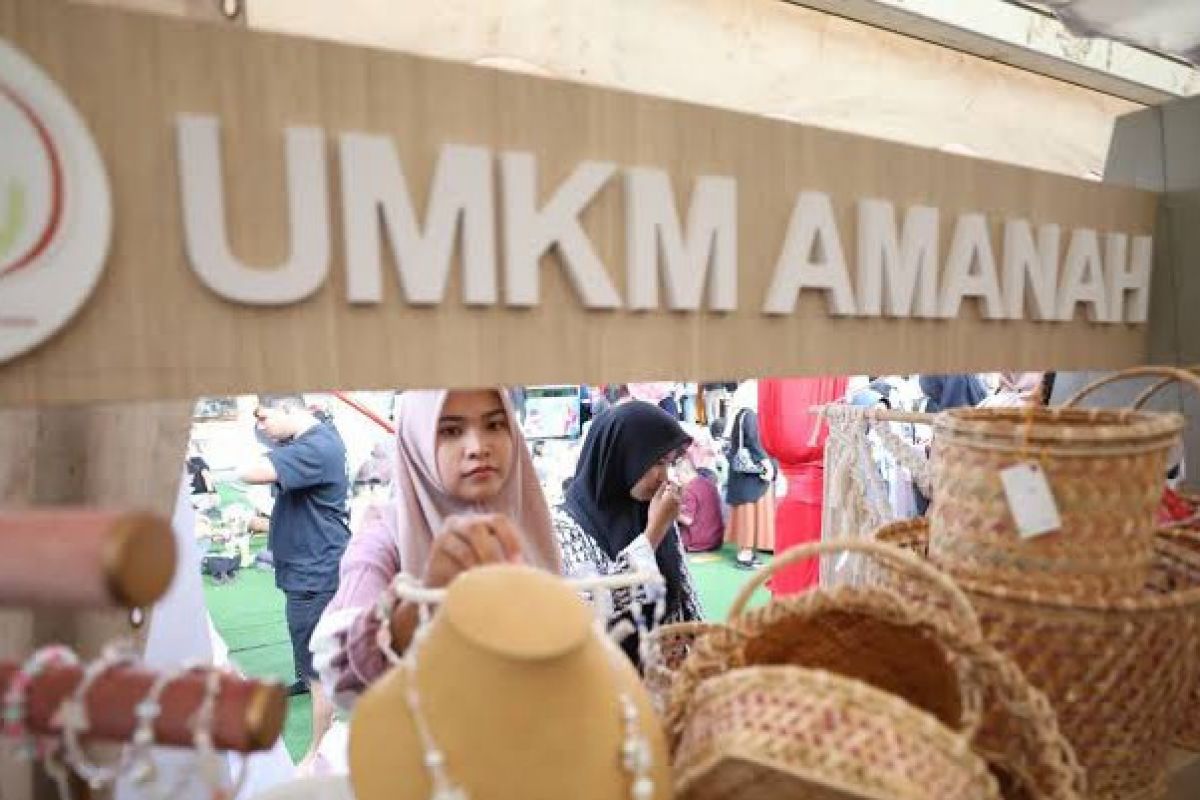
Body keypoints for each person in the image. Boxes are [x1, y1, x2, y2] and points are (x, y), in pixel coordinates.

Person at [237, 396, 351, 768]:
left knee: (320, 667)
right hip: (306, 567)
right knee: (308, 652)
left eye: (264, 416)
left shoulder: (316, 446)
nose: (261, 425)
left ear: (288, 409)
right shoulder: (308, 442)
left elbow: (248, 471)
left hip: (314, 573)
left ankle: (316, 751)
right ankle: (308, 679)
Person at [554, 400, 703, 633]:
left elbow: (684, 594)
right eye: (657, 462)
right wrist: (652, 536)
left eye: (669, 462)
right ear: (620, 456)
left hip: (667, 651)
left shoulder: (652, 508)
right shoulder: (566, 525)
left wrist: (702, 641)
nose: (664, 476)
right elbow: (592, 609)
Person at [723, 382, 776, 569]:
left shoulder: (740, 415)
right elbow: (754, 441)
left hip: (744, 473)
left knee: (747, 513)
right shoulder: (750, 415)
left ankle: (746, 552)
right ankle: (745, 554)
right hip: (752, 474)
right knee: (750, 513)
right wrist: (766, 462)